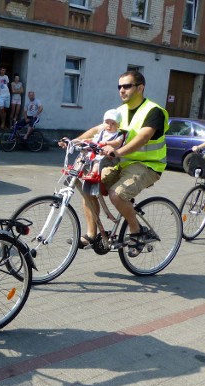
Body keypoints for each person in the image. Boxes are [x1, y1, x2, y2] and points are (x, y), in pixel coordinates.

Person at [68, 71, 168, 257]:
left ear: (140, 88)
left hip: (149, 165)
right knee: (89, 185)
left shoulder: (154, 111)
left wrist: (118, 151)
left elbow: (143, 137)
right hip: (122, 163)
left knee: (117, 194)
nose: (122, 90)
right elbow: (98, 130)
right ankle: (92, 234)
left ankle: (136, 231)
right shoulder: (119, 111)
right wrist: (75, 141)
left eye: (127, 86)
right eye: (119, 86)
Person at [71, 109, 125, 181]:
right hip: (97, 150)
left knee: (97, 160)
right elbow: (95, 139)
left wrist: (107, 143)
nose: (109, 126)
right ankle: (76, 169)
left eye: (113, 124)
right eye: (107, 123)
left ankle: (93, 173)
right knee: (82, 155)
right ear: (103, 123)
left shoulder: (118, 134)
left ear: (118, 125)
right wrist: (87, 140)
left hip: (108, 154)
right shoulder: (103, 132)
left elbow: (117, 143)